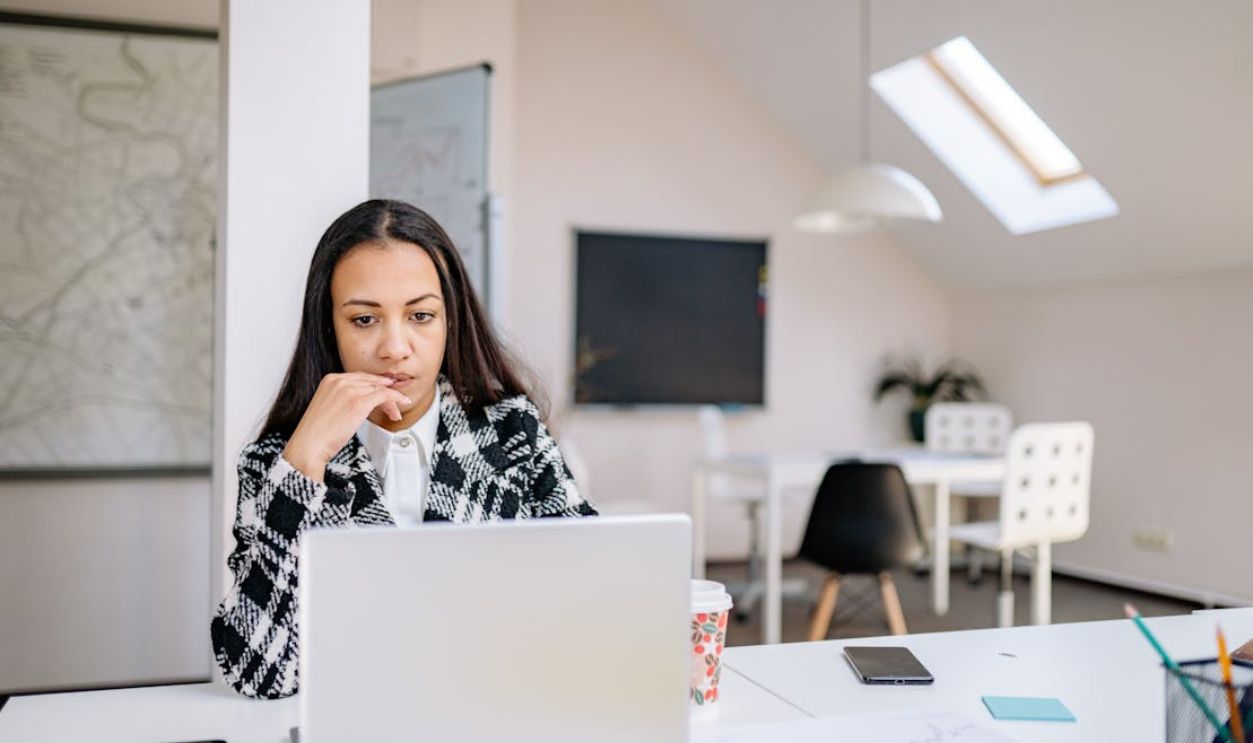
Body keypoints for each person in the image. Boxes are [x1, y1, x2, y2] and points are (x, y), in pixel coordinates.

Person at [210, 199, 596, 699]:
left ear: (449, 322)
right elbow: (255, 675)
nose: (395, 347)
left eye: (420, 315)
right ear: (330, 327)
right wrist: (304, 462)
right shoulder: (277, 462)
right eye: (365, 320)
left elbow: (591, 596)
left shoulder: (510, 429)